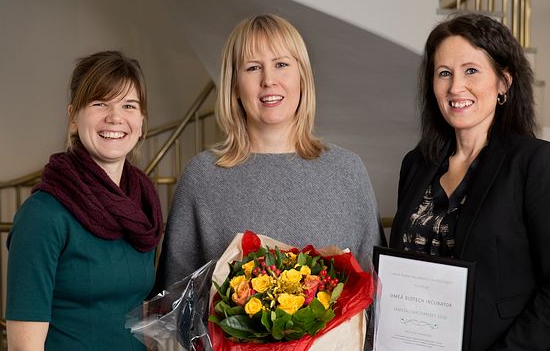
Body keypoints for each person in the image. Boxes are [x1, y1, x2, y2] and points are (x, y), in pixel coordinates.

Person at [389, 13, 550, 351]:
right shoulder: (416, 164)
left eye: (471, 70)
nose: (456, 87)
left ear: (503, 82)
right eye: (444, 73)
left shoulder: (535, 162)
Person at [155, 14, 384, 290]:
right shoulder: (201, 177)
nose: (268, 80)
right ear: (235, 86)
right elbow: (173, 303)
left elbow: (373, 292)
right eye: (253, 68)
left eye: (281, 64)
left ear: (302, 77)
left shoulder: (348, 171)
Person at [5, 51, 163, 351]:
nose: (115, 117)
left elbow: (142, 319)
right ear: (74, 118)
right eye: (100, 103)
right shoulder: (43, 215)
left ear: (141, 123)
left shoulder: (143, 209)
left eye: (128, 106)